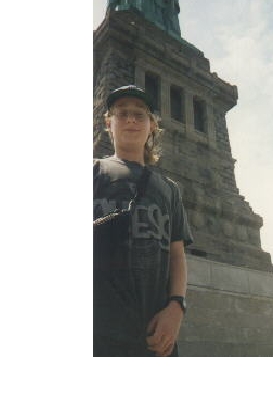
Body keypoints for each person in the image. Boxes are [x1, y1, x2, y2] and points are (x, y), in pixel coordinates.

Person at [93, 85, 193, 357]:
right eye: (122, 113)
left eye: (139, 114)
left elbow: (177, 254)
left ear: (152, 126)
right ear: (108, 123)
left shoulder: (169, 189)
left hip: (154, 333)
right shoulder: (94, 171)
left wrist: (177, 306)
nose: (131, 120)